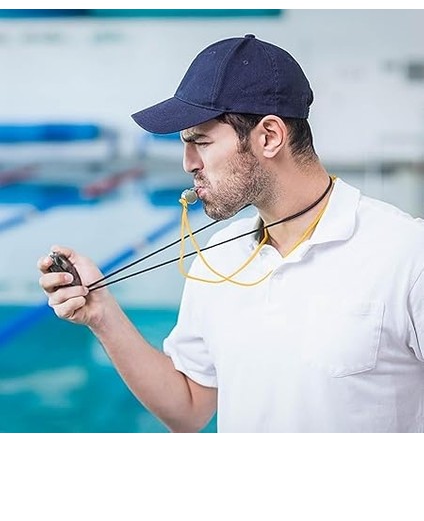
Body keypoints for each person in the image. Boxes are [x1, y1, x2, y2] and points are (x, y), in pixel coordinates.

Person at [38, 34, 424, 433]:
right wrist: (102, 313)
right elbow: (188, 408)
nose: (188, 163)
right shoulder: (219, 256)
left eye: (201, 142)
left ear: (269, 137)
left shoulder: (406, 255)